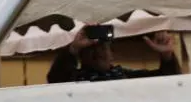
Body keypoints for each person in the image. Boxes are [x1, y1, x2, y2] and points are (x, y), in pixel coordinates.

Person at [46, 27, 181, 83]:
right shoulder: (74, 79)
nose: (100, 53)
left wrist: (166, 54)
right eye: (92, 50)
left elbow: (168, 82)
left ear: (112, 55)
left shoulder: (124, 76)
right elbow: (55, 78)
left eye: (105, 49)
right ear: (81, 56)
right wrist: (73, 48)